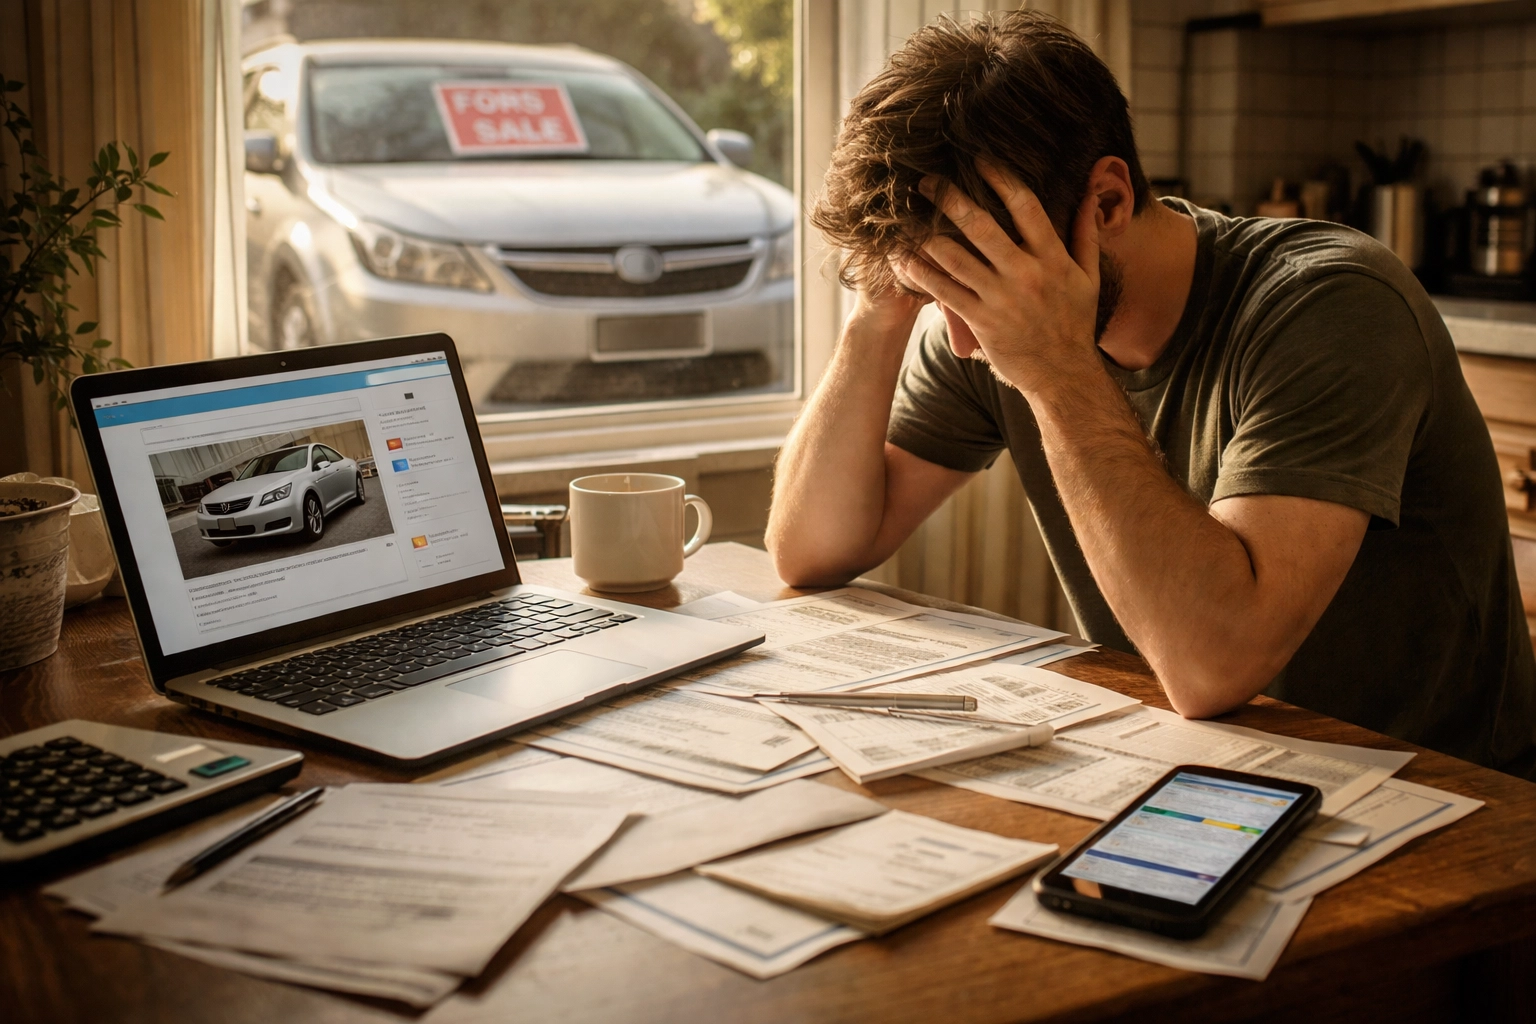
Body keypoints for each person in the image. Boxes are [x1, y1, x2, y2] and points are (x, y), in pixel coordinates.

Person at [767, 10, 1536, 778]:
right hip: (1205, 771)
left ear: (1105, 203)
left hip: (1442, 794)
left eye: (973, 286)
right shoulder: (987, 316)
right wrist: (881, 308)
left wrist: (1060, 371)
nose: (964, 342)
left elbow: (1213, 666)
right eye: (937, 291)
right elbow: (811, 551)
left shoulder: (1331, 303)